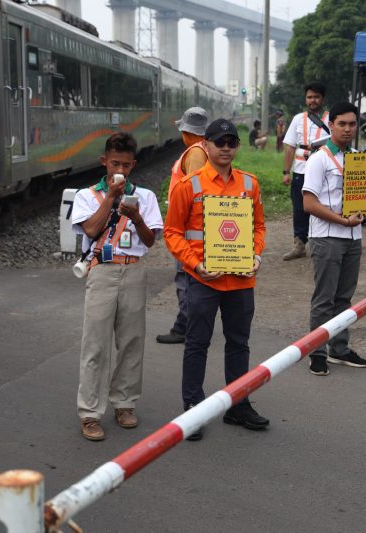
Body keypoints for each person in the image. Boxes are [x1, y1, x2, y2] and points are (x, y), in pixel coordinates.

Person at [164, 118, 269, 441]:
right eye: (219, 142)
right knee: (197, 343)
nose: (225, 148)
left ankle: (237, 404)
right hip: (204, 280)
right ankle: (193, 409)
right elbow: (172, 232)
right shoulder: (189, 185)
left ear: (237, 147)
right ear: (205, 146)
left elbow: (259, 228)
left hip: (240, 282)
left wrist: (256, 255)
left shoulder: (250, 185)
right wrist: (195, 265)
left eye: (231, 142)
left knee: (239, 344)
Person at [71, 132, 164, 441]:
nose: (119, 170)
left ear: (134, 164)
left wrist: (136, 217)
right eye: (114, 164)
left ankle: (124, 403)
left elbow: (150, 241)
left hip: (134, 271)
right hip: (101, 271)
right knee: (95, 344)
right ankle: (90, 412)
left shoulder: (146, 197)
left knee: (131, 341)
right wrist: (111, 197)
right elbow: (91, 229)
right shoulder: (88, 195)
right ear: (104, 162)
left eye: (125, 164)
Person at [302, 101, 366, 376]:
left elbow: (359, 197)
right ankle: (317, 352)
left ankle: (340, 349)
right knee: (324, 298)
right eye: (341, 124)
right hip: (326, 237)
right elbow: (309, 204)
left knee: (344, 298)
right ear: (331, 124)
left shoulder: (358, 157)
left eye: (352, 124)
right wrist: (343, 221)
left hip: (353, 237)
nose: (347, 129)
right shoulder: (318, 159)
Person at [156, 107, 210, 345]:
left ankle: (186, 327)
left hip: (189, 229)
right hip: (190, 227)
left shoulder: (196, 152)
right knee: (187, 278)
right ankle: (187, 324)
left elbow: (196, 192)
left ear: (187, 132)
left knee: (185, 277)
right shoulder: (200, 149)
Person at [281, 81, 330, 261]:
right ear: (305, 99)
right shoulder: (297, 119)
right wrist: (286, 172)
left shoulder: (330, 119)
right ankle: (299, 245)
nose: (313, 100)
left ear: (322, 99)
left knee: (323, 207)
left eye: (316, 97)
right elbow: (290, 148)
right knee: (299, 209)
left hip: (324, 171)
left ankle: (321, 244)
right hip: (300, 171)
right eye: (309, 97)